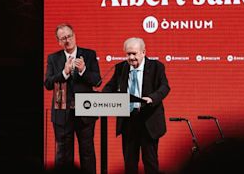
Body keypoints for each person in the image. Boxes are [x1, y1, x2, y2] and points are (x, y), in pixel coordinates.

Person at [103, 37, 170, 174]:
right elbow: (109, 87)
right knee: (130, 164)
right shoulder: (121, 68)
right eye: (128, 54)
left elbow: (164, 87)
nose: (131, 57)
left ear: (143, 52)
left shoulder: (156, 66)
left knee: (150, 163)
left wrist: (152, 98)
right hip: (128, 121)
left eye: (134, 53)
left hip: (148, 120)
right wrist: (103, 96)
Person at [44, 24, 101, 174]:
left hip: (86, 111)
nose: (68, 40)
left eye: (69, 36)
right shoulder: (53, 58)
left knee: (87, 152)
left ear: (74, 35)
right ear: (59, 42)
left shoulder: (88, 55)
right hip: (62, 112)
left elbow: (97, 80)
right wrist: (64, 72)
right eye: (63, 38)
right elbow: (48, 84)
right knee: (63, 154)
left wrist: (83, 70)